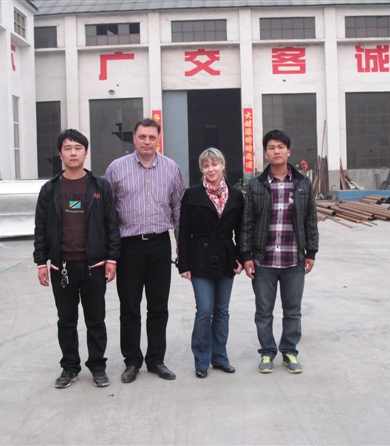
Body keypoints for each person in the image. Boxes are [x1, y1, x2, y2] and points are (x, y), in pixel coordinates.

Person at [33, 129, 120, 389]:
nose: (73, 153)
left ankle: (98, 366)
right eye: (68, 148)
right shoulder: (50, 189)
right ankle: (70, 367)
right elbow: (40, 228)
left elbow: (112, 224)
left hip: (94, 266)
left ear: (86, 152)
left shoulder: (100, 186)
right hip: (62, 268)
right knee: (66, 320)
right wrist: (41, 262)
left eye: (78, 148)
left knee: (96, 320)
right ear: (60, 154)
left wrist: (112, 259)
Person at [104, 118, 185, 383]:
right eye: (142, 137)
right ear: (134, 139)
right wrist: (110, 252)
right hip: (129, 246)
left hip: (160, 244)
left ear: (158, 139)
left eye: (152, 137)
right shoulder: (117, 168)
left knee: (158, 306)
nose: (147, 142)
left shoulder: (171, 168)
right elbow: (108, 212)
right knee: (129, 306)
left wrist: (181, 245)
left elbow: (178, 209)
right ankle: (132, 361)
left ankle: (156, 360)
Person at [240, 129, 319, 374]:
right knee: (263, 312)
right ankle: (267, 352)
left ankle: (289, 351)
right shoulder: (256, 185)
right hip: (263, 260)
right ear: (266, 153)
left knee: (292, 311)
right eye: (272, 148)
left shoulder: (302, 184)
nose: (276, 151)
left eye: (281, 147)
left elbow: (310, 220)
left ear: (288, 151)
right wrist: (246, 256)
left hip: (293, 260)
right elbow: (247, 223)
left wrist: (311, 252)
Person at [177, 148, 244, 379]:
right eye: (206, 166)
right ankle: (201, 359)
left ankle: (220, 357)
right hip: (200, 258)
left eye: (214, 164)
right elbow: (183, 232)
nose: (210, 169)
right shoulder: (191, 195)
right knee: (205, 310)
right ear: (201, 169)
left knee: (222, 310)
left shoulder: (236, 196)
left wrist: (241, 257)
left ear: (222, 165)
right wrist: (184, 264)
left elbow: (241, 231)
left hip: (226, 257)